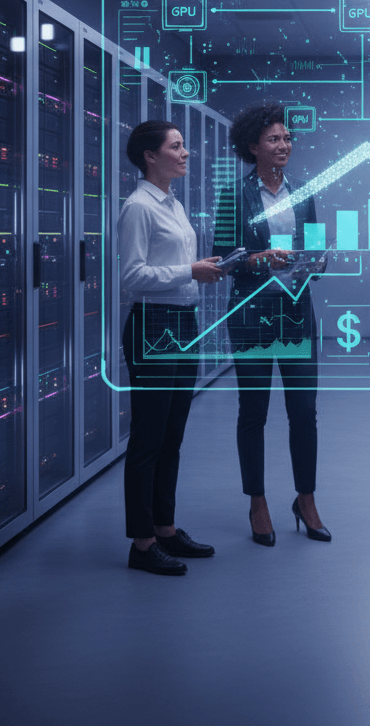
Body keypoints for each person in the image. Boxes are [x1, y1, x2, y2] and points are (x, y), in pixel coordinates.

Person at [213, 102, 329, 546]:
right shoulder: (234, 195)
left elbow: (314, 251)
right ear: (252, 147)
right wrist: (261, 259)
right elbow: (224, 258)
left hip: (295, 314)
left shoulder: (304, 192)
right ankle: (257, 502)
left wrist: (317, 260)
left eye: (287, 138)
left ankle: (306, 499)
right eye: (273, 139)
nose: (284, 145)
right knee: (253, 412)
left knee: (304, 412)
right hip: (251, 316)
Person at [119, 120, 224, 575]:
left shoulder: (174, 204)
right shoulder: (138, 207)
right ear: (150, 156)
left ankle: (165, 528)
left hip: (183, 323)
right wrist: (190, 272)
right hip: (153, 326)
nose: (185, 153)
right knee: (148, 438)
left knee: (172, 435)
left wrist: (201, 268)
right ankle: (142, 544)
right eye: (176, 146)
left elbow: (175, 265)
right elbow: (131, 276)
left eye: (184, 146)